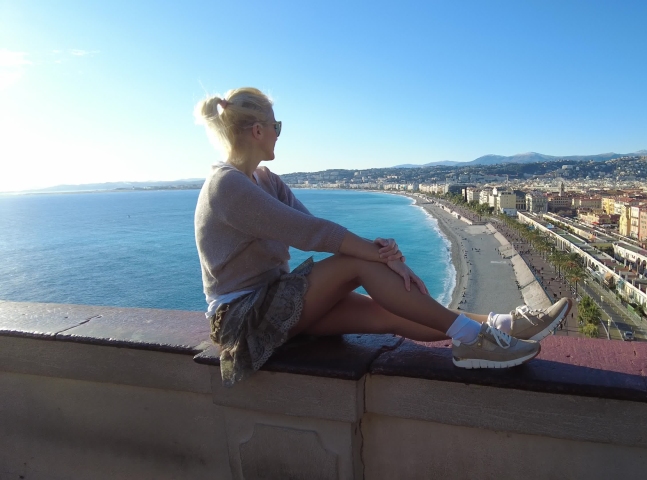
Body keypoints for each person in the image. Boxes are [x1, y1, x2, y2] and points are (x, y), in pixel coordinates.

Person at [194, 87, 571, 386]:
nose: (279, 134)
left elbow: (312, 226)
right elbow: (314, 234)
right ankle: (474, 339)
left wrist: (383, 254)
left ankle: (500, 325)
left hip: (278, 305)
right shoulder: (227, 186)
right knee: (355, 265)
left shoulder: (264, 180)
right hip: (242, 319)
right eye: (277, 126)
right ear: (258, 130)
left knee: (385, 311)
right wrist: (379, 258)